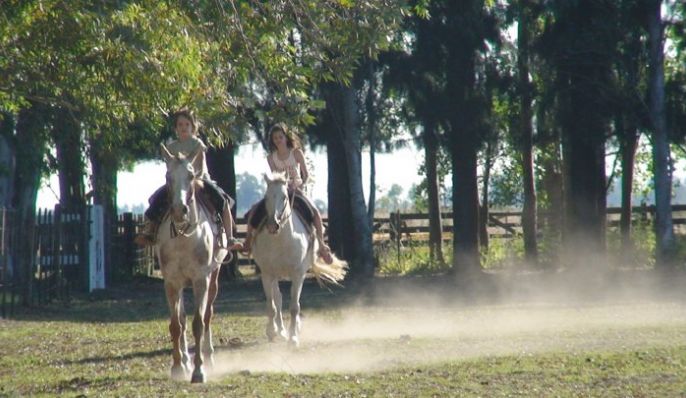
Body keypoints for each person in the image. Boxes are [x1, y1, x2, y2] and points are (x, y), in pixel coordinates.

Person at [134, 108, 242, 251]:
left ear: (192, 127)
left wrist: (194, 180)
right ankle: (150, 231)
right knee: (156, 199)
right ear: (175, 128)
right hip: (178, 182)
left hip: (199, 179)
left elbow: (201, 167)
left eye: (186, 124)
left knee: (223, 201)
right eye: (180, 125)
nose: (183, 128)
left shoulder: (197, 144)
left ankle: (229, 238)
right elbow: (170, 168)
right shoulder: (171, 147)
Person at [242, 123, 333, 264]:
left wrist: (300, 185)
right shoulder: (271, 158)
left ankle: (321, 246)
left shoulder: (296, 153)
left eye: (280, 137)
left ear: (286, 138)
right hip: (279, 190)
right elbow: (274, 177)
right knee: (255, 209)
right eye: (275, 138)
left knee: (314, 212)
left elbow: (306, 174)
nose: (278, 140)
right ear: (272, 140)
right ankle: (248, 241)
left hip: (297, 189)